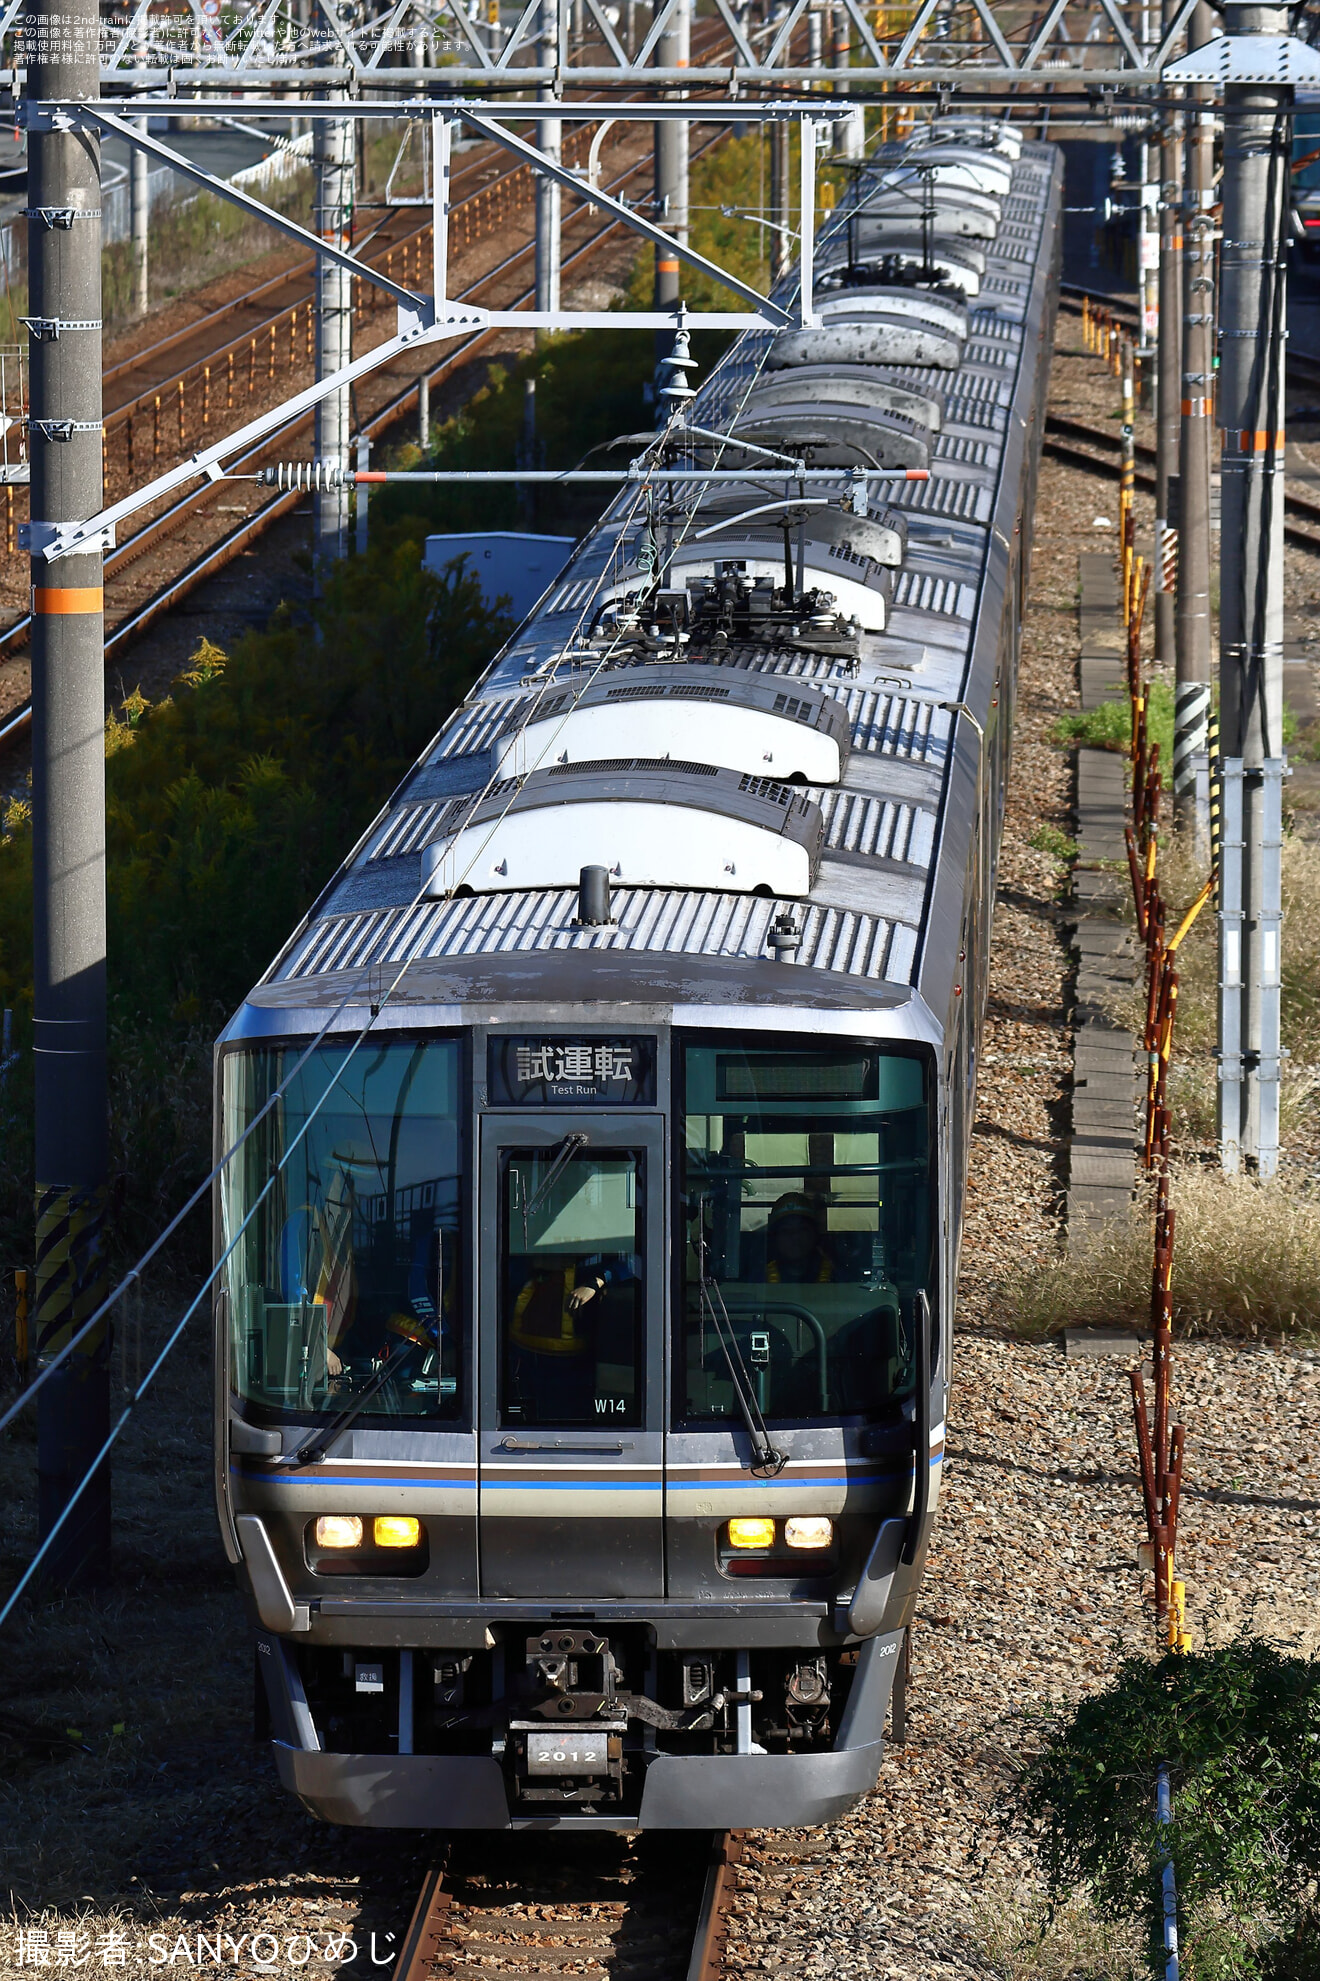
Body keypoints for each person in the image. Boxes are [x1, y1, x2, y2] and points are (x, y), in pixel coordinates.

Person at [764, 1193, 833, 1285]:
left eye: (802, 1229)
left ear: (814, 1234)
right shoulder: (759, 1279)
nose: (795, 1237)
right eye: (786, 1231)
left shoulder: (836, 1276)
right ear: (775, 1237)